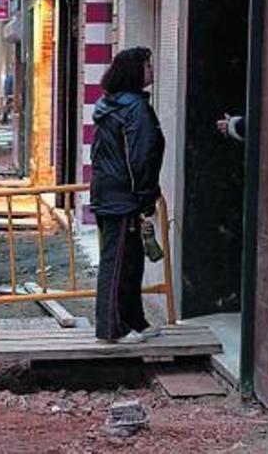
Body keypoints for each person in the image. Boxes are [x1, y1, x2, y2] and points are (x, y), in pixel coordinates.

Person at [90, 46, 165, 344]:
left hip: (111, 192)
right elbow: (141, 156)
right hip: (124, 196)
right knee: (119, 261)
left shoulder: (110, 105)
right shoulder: (135, 108)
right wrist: (146, 197)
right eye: (148, 66)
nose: (152, 70)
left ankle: (135, 320)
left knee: (130, 260)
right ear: (136, 71)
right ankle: (111, 328)